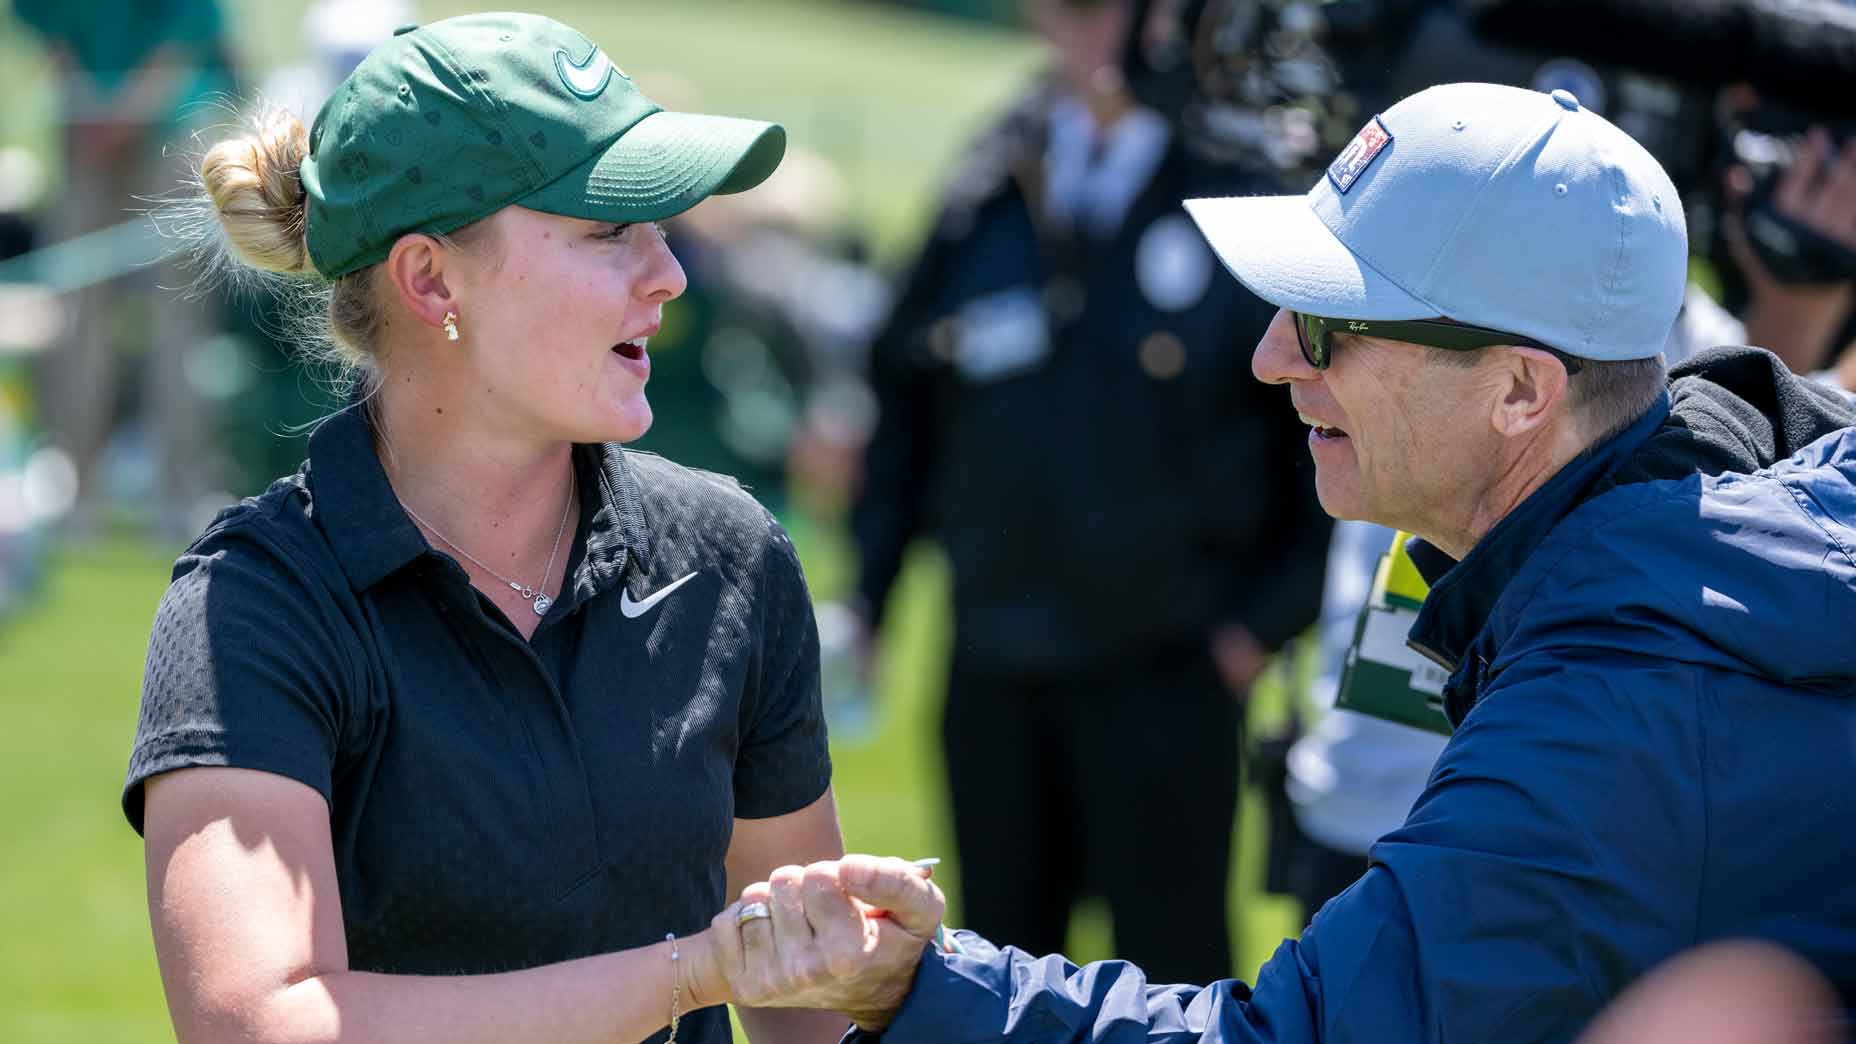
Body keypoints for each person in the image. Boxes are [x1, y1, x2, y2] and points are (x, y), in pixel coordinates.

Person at [691, 81, 1856, 1041]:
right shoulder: (1741, 514)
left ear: (1518, 391)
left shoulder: (1611, 711)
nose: (1265, 359)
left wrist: (912, 985)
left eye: (1327, 323)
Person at [125, 13, 851, 1044]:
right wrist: (688, 973)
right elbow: (259, 1022)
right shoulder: (253, 605)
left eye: (663, 228)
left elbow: (802, 1006)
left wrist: (879, 959)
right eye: (609, 230)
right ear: (429, 281)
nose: (668, 274)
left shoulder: (727, 557)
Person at [844, 0, 1329, 980]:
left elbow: (1324, 428)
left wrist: (1257, 627)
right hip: (994, 660)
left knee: (1173, 970)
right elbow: (903, 389)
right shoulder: (988, 179)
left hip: (1167, 669)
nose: (1088, 34)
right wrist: (873, 590)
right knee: (994, 970)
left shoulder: (1241, 191)